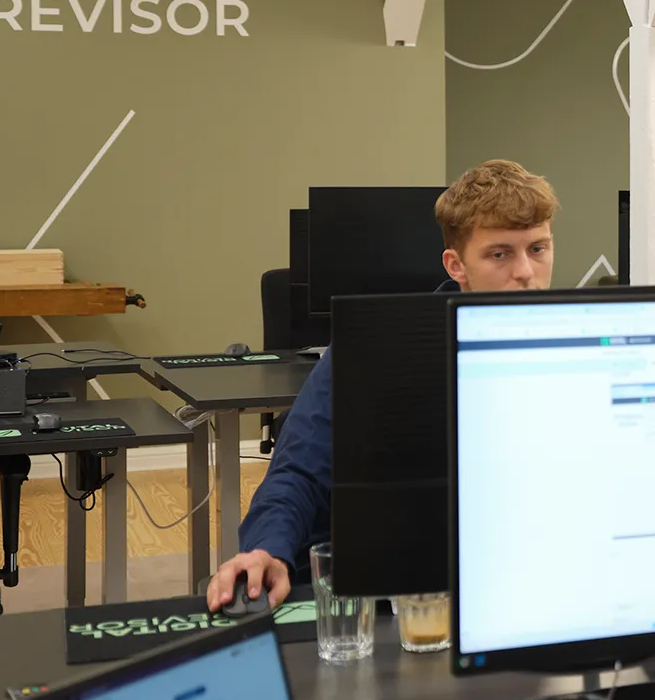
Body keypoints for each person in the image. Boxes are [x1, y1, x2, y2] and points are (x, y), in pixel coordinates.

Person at [205, 159, 558, 613]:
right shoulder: (377, 346)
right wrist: (267, 549)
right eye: (500, 254)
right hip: (404, 591)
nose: (526, 272)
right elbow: (300, 470)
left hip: (519, 574)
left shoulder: (575, 348)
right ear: (457, 265)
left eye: (538, 249)